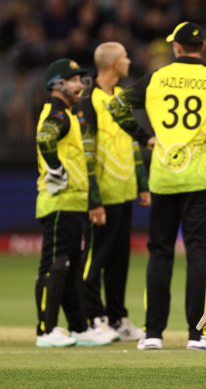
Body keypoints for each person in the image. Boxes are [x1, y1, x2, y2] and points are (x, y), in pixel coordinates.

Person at [107, 22, 206, 351]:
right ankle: (195, 333)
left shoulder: (157, 77)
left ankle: (153, 333)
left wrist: (145, 137)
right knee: (197, 255)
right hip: (200, 174)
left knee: (159, 253)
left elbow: (115, 106)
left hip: (163, 174)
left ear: (175, 47)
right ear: (201, 47)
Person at [34, 58, 118, 347]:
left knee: (70, 267)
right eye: (72, 79)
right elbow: (45, 139)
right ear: (56, 84)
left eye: (80, 78)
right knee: (55, 265)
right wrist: (56, 169)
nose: (79, 83)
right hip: (58, 202)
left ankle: (79, 328)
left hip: (72, 203)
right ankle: (45, 330)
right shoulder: (57, 112)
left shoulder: (68, 113)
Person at [76, 42, 148, 342]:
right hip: (101, 196)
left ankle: (117, 318)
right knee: (94, 260)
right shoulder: (88, 100)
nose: (129, 61)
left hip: (124, 191)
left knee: (119, 261)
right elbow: (86, 153)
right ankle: (93, 318)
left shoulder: (120, 97)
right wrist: (94, 199)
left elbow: (131, 142)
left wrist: (142, 185)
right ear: (111, 63)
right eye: (125, 57)